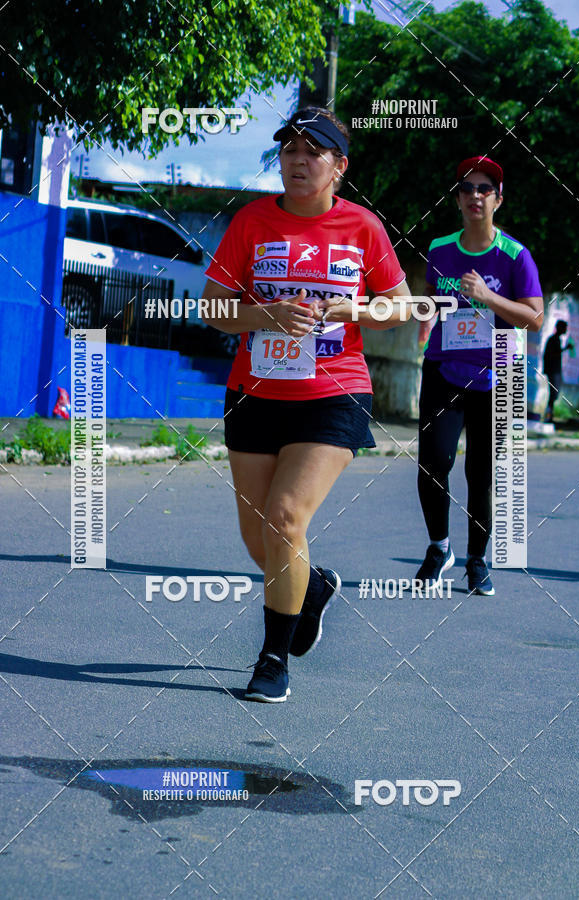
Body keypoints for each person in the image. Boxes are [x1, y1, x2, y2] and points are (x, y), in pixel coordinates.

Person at [201, 107, 411, 701]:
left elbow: (401, 306)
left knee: (285, 517)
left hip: (334, 392)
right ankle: (312, 588)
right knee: (260, 537)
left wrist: (354, 309)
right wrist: (266, 313)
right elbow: (212, 309)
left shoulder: (362, 227)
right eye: (289, 149)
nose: (296, 160)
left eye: (311, 151)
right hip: (255, 392)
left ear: (338, 166)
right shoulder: (251, 222)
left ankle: (272, 658)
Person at [416, 156, 543, 596]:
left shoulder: (515, 256)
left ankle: (477, 559)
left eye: (484, 188)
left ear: (498, 200)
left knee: (482, 472)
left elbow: (535, 319)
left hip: (499, 372)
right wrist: (425, 318)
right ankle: (439, 547)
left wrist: (488, 296)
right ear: (457, 199)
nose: (474, 195)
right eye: (466, 188)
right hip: (444, 369)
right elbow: (433, 299)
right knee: (434, 461)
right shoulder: (439, 249)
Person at [542, 320, 573, 423]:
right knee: (553, 394)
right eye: (564, 328)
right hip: (552, 370)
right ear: (559, 328)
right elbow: (550, 355)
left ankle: (550, 415)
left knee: (555, 394)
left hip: (556, 370)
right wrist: (565, 349)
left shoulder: (557, 340)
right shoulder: (553, 339)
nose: (565, 330)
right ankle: (548, 416)